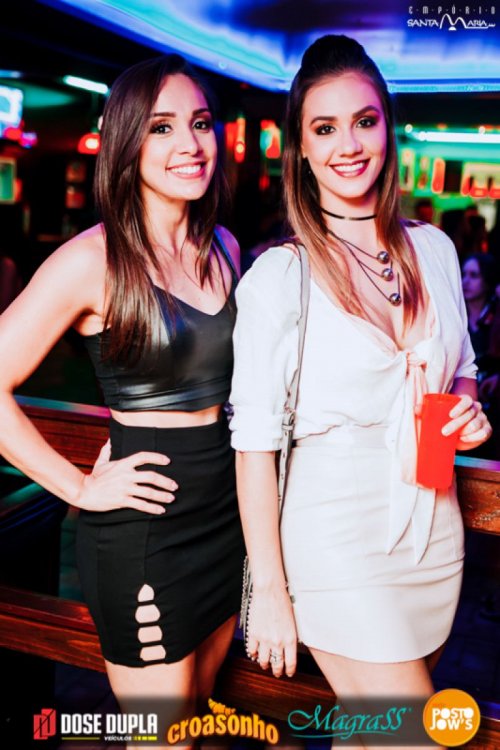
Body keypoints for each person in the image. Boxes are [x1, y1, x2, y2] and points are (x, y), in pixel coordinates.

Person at [229, 34, 492, 748]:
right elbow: (253, 446)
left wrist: (466, 407)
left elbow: (461, 366)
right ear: (300, 149)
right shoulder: (280, 276)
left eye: (364, 121)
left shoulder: (435, 249)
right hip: (335, 542)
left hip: (435, 529)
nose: (348, 144)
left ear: (387, 129)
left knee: (372, 737)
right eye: (325, 128)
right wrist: (271, 590)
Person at [0, 54, 245, 745]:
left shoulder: (225, 247)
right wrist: (78, 488)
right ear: (129, 142)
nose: (189, 144)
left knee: (199, 726)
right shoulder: (92, 259)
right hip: (146, 526)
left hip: (224, 517)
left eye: (200, 123)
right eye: (162, 127)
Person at [462, 252, 500, 457]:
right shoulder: (456, 315)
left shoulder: (495, 315)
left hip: (493, 405)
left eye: (474, 275)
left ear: (487, 280)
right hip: (464, 404)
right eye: (464, 274)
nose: (466, 281)